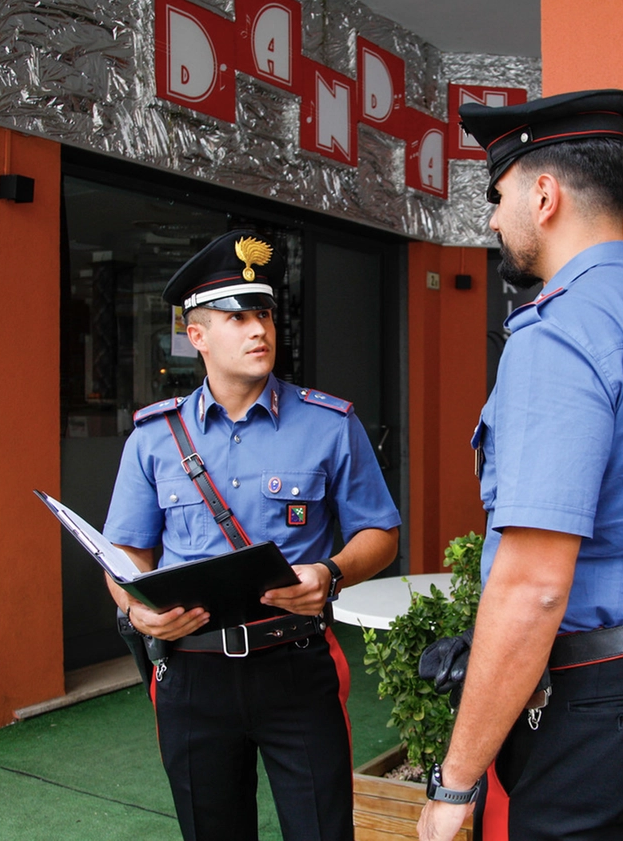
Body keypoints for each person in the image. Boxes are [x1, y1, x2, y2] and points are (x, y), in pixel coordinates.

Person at [417, 90, 623, 840]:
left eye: (498, 195)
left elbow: (535, 585)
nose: (494, 218)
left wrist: (455, 783)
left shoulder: (557, 336)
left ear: (544, 195)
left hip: (590, 702)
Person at [103, 229, 401, 841]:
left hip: (295, 663)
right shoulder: (153, 439)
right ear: (197, 337)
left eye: (263, 312)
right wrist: (136, 609)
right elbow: (123, 555)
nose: (258, 328)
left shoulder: (328, 423)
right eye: (235, 317)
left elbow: (380, 531)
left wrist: (331, 573)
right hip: (191, 672)